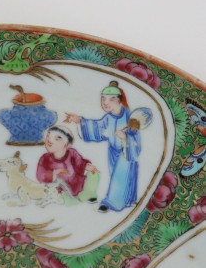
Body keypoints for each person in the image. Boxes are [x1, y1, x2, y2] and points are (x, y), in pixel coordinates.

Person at [64, 81, 141, 212]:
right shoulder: (108, 117)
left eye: (111, 99)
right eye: (103, 99)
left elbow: (136, 138)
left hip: (126, 152)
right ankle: (128, 199)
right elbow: (98, 128)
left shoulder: (130, 117)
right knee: (117, 177)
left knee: (120, 176)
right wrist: (80, 121)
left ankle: (111, 202)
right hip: (113, 152)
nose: (106, 102)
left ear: (120, 100)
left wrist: (125, 138)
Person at [36, 125, 100, 205]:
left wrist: (87, 166)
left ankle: (87, 193)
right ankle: (70, 201)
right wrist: (54, 173)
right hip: (60, 190)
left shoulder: (72, 153)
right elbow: (40, 175)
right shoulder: (45, 158)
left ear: (66, 144)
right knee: (67, 201)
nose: (50, 140)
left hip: (77, 186)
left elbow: (80, 163)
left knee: (94, 174)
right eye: (48, 136)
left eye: (57, 138)